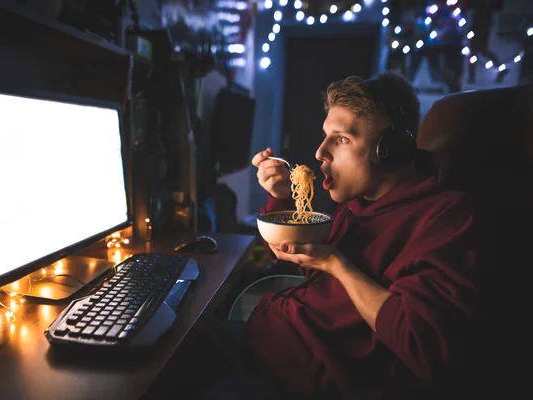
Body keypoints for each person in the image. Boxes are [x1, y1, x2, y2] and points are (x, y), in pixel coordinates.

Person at [157, 71, 488, 400]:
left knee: (154, 377)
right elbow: (314, 267)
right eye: (325, 136)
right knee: (166, 339)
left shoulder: (446, 217)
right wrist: (284, 198)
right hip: (269, 343)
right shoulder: (359, 201)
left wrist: (336, 263)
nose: (320, 153)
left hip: (302, 377)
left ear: (392, 150)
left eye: (341, 139)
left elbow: (425, 345)